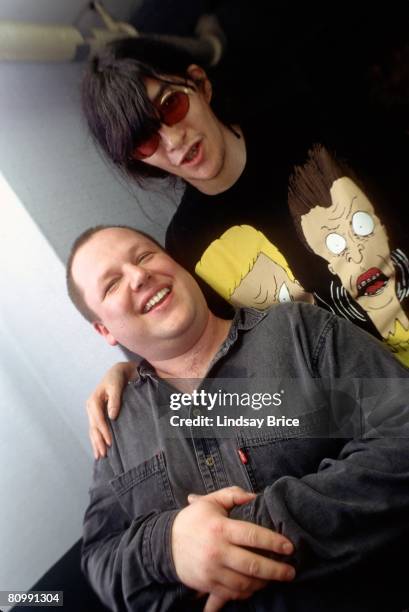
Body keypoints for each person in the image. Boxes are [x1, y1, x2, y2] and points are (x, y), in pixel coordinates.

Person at [80, 36, 409, 458]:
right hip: (386, 426)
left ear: (199, 84)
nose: (172, 141)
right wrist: (133, 373)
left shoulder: (315, 117)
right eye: (145, 141)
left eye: (170, 107)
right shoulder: (186, 247)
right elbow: (215, 359)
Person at [67, 224, 409, 612]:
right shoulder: (114, 422)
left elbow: (402, 434)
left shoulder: (298, 331)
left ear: (176, 264)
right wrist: (167, 546)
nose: (139, 275)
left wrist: (246, 531)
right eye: (111, 284)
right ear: (104, 330)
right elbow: (99, 558)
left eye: (144, 256)